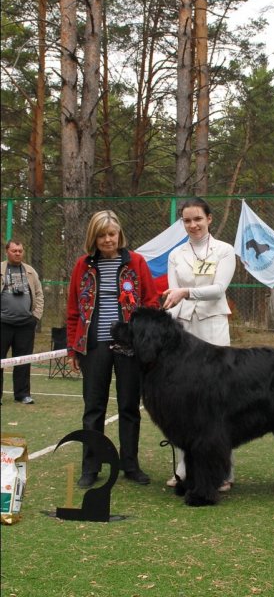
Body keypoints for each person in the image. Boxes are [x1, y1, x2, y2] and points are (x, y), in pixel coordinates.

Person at [67, 210, 159, 489]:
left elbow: (152, 301)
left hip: (130, 345)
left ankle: (130, 464)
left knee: (129, 406)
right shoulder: (83, 265)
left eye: (111, 234)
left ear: (119, 235)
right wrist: (73, 348)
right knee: (93, 408)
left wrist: (142, 336)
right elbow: (73, 310)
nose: (107, 239)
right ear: (93, 237)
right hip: (93, 344)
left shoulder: (137, 262)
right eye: (101, 235)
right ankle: (91, 466)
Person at [162, 197, 236, 492]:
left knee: (217, 402)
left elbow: (219, 289)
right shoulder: (176, 254)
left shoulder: (225, 251)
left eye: (198, 219)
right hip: (184, 329)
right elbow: (171, 295)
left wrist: (185, 292)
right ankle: (184, 468)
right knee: (184, 402)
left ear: (209, 219)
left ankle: (224, 471)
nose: (193, 225)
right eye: (187, 220)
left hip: (213, 327)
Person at [1, 240, 44, 405]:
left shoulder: (30, 271)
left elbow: (39, 294)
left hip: (25, 324)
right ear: (7, 251)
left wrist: (35, 317)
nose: (17, 253)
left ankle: (22, 394)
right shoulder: (1, 269)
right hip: (3, 323)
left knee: (23, 361)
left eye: (20, 250)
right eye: (14, 250)